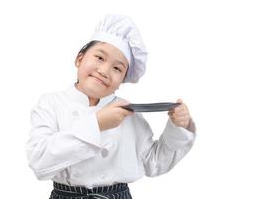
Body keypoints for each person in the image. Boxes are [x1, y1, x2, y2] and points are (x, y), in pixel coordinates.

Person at [26, 14, 196, 199]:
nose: (104, 71)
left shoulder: (127, 112)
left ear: (122, 81)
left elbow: (154, 162)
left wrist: (179, 127)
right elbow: (39, 162)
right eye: (99, 57)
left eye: (117, 68)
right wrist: (97, 124)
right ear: (79, 59)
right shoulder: (51, 104)